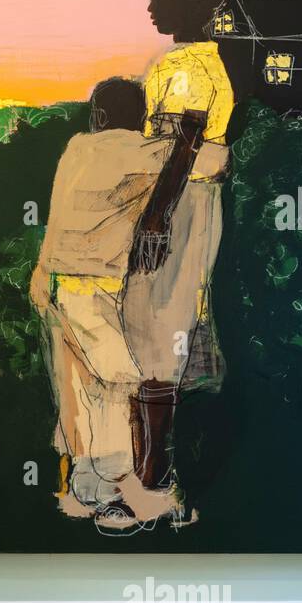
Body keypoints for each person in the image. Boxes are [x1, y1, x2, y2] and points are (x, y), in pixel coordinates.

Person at [30, 78, 183, 532]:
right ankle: (115, 495)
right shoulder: (141, 151)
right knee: (119, 381)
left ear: (96, 117)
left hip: (50, 280)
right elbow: (200, 159)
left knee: (77, 391)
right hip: (88, 286)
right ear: (140, 118)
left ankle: (86, 489)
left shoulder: (78, 147)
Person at [120, 0, 235, 527]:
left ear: (187, 7)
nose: (150, 10)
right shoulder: (204, 61)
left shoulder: (184, 65)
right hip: (192, 202)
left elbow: (184, 141)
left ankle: (154, 477)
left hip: (181, 203)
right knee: (164, 331)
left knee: (156, 329)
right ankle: (153, 473)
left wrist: (155, 217)